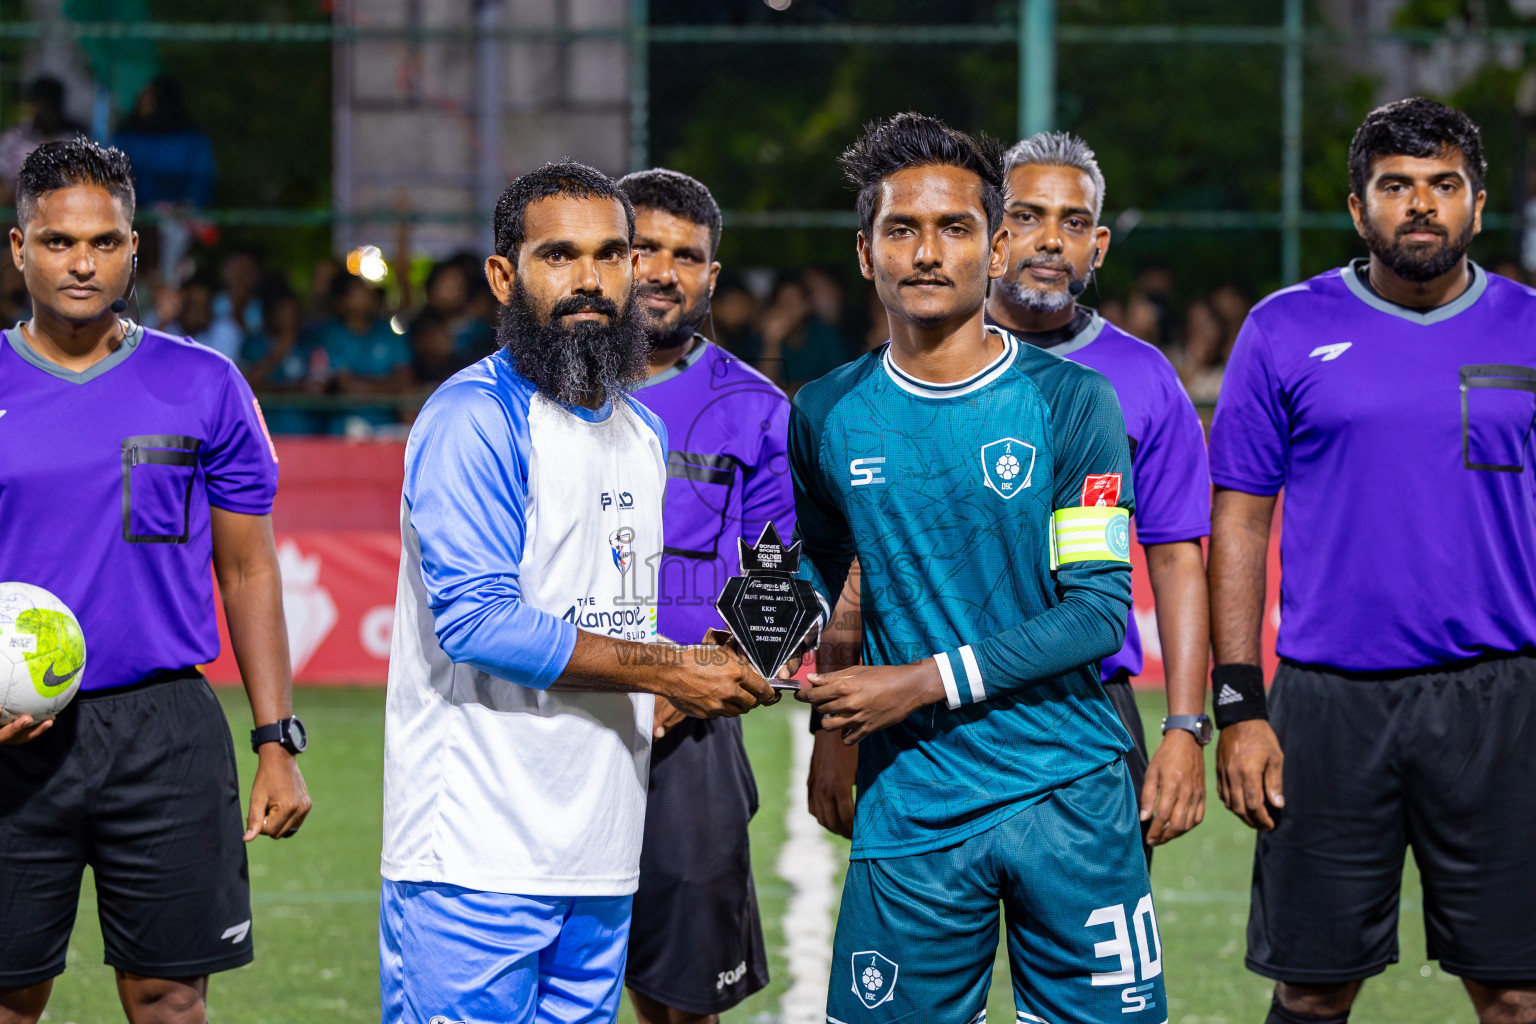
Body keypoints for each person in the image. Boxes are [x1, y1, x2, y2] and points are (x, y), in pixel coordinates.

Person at [378, 160, 780, 1024]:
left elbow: (755, 572)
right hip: (475, 856)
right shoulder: (473, 419)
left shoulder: (637, 431)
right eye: (559, 256)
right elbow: (478, 623)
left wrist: (723, 662)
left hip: (599, 848)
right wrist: (672, 670)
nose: (591, 280)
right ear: (503, 275)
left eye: (610, 255)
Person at [793, 113, 1164, 1023]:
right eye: (902, 230)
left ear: (994, 248)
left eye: (954, 228)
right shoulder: (826, 411)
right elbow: (824, 584)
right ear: (865, 251)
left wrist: (916, 683)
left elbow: (1096, 615)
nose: (927, 253)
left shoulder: (1074, 402)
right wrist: (815, 712)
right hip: (912, 795)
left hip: (1067, 788)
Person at [1208, 98, 1536, 1024]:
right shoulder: (1281, 329)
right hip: (1329, 705)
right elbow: (1238, 522)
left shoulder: (1530, 327)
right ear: (1360, 209)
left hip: (1503, 699)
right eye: (1397, 186)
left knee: (1517, 992)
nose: (1421, 204)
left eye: (1444, 185)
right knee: (1312, 988)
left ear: (1477, 203)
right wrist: (1240, 704)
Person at [0, 139, 310, 1024]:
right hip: (10, 738)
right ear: (20, 249)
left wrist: (276, 739)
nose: (82, 261)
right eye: (57, 242)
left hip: (165, 729)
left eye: (104, 241)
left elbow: (248, 568)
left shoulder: (204, 383)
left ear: (135, 249)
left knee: (171, 1001)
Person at [985, 131, 1212, 855]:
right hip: (945, 704)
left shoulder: (1145, 378)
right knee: (934, 962)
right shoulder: (924, 361)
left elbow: (1178, 560)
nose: (1051, 240)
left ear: (1099, 246)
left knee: (1094, 967)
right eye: (1026, 216)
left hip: (1093, 704)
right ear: (991, 231)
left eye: (1073, 223)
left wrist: (1184, 728)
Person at [618, 168, 792, 1024]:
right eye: (644, 247)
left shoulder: (757, 410)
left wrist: (680, 692)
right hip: (546, 712)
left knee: (680, 1000)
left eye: (687, 256)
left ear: (711, 278)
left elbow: (782, 588)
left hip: (688, 732)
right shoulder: (533, 393)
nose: (662, 270)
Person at [313, 272, 412, 434]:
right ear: (341, 302)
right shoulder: (330, 336)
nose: (367, 292)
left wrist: (364, 387)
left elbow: (406, 379)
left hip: (388, 424)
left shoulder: (387, 332)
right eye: (357, 290)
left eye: (365, 287)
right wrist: (389, 387)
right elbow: (347, 385)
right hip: (346, 425)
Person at [0, 77, 86, 203]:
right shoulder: (13, 138)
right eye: (40, 103)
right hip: (14, 205)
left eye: (49, 105)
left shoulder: (72, 142)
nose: (44, 110)